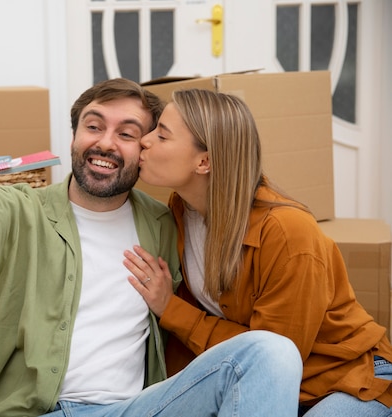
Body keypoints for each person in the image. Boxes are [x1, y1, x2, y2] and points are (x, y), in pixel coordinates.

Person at [0, 79, 302, 417]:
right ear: (73, 136)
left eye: (126, 133)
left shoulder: (166, 223)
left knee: (271, 352)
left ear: (144, 149)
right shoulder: (20, 211)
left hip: (133, 410)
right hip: (32, 412)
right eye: (93, 126)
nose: (105, 142)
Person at [123, 87, 392, 417]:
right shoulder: (184, 208)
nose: (145, 141)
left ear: (203, 161)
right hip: (258, 380)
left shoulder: (288, 232)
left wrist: (170, 308)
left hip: (345, 378)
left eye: (161, 136)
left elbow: (274, 356)